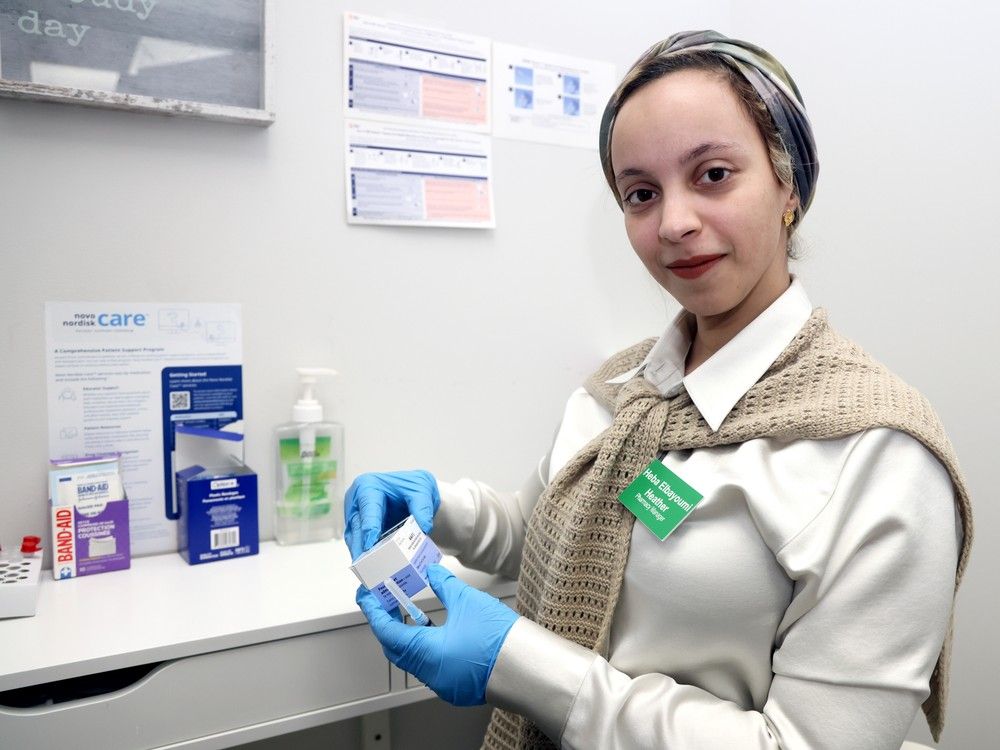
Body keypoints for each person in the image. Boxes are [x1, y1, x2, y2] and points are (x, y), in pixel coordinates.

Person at [346, 30, 972, 750]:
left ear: (788, 185)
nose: (674, 222)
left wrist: (520, 666)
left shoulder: (879, 457)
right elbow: (550, 529)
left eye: (712, 175)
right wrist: (439, 508)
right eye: (641, 193)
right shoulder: (624, 389)